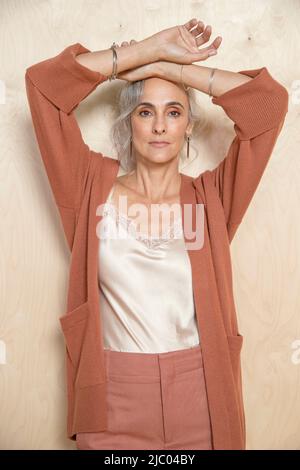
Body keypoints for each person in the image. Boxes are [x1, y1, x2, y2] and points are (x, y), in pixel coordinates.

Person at [25, 18, 289, 450]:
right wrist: (143, 52)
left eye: (174, 112)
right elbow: (43, 87)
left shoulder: (212, 199)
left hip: (200, 395)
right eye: (145, 112)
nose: (160, 126)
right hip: (111, 397)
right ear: (130, 121)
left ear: (188, 125)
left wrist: (173, 68)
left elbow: (269, 104)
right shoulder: (88, 186)